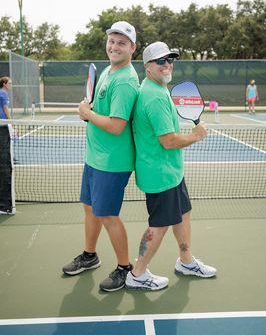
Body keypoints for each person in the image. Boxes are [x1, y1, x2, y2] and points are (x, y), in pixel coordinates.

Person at [126, 41, 217, 291]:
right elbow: (168, 141)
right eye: (161, 61)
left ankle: (186, 261)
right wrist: (197, 135)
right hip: (160, 175)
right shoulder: (154, 96)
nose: (167, 65)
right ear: (147, 66)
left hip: (171, 172)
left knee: (183, 214)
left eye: (170, 60)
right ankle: (138, 273)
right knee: (159, 226)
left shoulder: (157, 87)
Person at [62, 21, 140, 292]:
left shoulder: (126, 81)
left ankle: (124, 268)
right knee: (90, 208)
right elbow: (100, 109)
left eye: (121, 42)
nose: (114, 46)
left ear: (133, 47)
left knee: (107, 215)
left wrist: (88, 114)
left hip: (112, 162)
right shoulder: (108, 70)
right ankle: (90, 255)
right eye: (112, 41)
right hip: (95, 156)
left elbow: (117, 126)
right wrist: (90, 108)